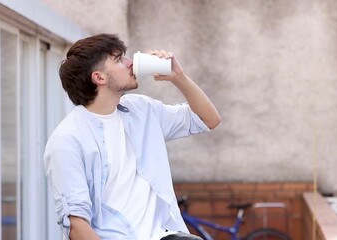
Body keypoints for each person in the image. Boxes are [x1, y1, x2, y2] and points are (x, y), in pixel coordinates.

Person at [44, 33, 221, 240]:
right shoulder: (67, 141)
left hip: (164, 235)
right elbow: (76, 225)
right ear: (99, 77)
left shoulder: (141, 110)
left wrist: (178, 77)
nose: (130, 63)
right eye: (119, 59)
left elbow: (209, 119)